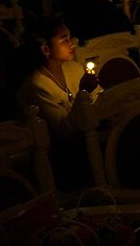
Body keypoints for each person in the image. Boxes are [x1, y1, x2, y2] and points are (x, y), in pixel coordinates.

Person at [17, 18, 100, 190]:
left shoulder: (74, 68)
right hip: (63, 155)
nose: (72, 43)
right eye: (64, 40)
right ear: (46, 49)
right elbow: (65, 130)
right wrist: (83, 93)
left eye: (70, 38)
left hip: (89, 136)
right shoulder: (37, 85)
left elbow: (99, 97)